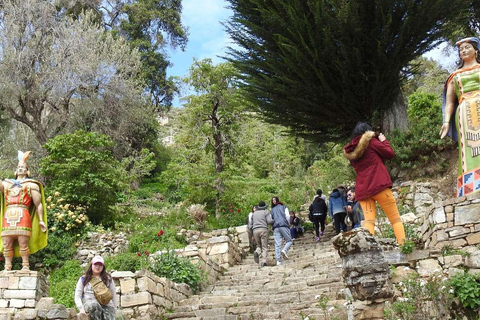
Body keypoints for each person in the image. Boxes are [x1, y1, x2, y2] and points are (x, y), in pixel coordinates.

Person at [344, 122, 406, 244]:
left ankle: (368, 250)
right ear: (367, 131)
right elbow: (390, 154)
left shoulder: (351, 151)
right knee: (395, 219)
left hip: (363, 190)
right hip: (379, 185)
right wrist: (383, 141)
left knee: (369, 221)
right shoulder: (371, 142)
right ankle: (404, 247)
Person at [440, 37, 480, 197]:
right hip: (464, 112)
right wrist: (446, 121)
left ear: (476, 50)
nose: (463, 50)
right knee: (468, 147)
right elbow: (450, 102)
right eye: (461, 49)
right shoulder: (455, 75)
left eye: (467, 47)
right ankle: (470, 187)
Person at [0, 151, 47, 271]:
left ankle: (25, 265)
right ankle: (7, 266)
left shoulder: (32, 185)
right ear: (15, 171)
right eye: (19, 167)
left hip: (23, 214)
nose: (21, 169)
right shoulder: (6, 184)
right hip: (8, 214)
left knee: (23, 242)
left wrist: (41, 220)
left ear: (27, 171)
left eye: (23, 167)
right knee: (6, 242)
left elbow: (38, 204)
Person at [247, 201, 273, 267]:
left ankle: (257, 252)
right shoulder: (265, 212)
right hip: (263, 229)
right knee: (264, 246)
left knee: (259, 245)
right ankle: (264, 261)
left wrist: (251, 233)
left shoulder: (254, 214)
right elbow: (269, 221)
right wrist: (274, 220)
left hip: (255, 231)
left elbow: (250, 224)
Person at [271, 196, 292, 266]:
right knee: (289, 240)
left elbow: (271, 219)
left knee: (277, 244)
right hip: (284, 225)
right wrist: (288, 223)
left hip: (276, 227)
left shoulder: (272, 210)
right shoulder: (284, 207)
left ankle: (278, 261)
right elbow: (288, 216)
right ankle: (284, 250)